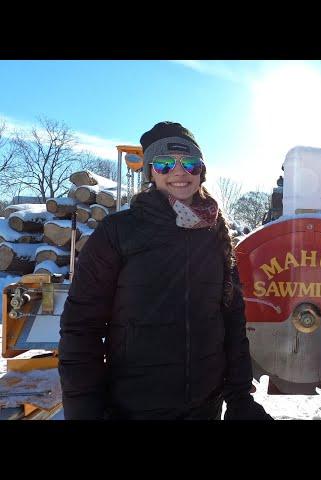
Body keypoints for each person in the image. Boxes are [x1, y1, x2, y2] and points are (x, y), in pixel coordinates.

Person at [59, 121, 272, 420]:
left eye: (190, 163)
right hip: (133, 410)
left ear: (202, 171)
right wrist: (85, 412)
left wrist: (239, 399)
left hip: (204, 410)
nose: (179, 171)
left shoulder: (216, 235)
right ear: (150, 172)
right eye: (164, 164)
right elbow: (81, 329)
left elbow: (232, 325)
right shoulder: (118, 233)